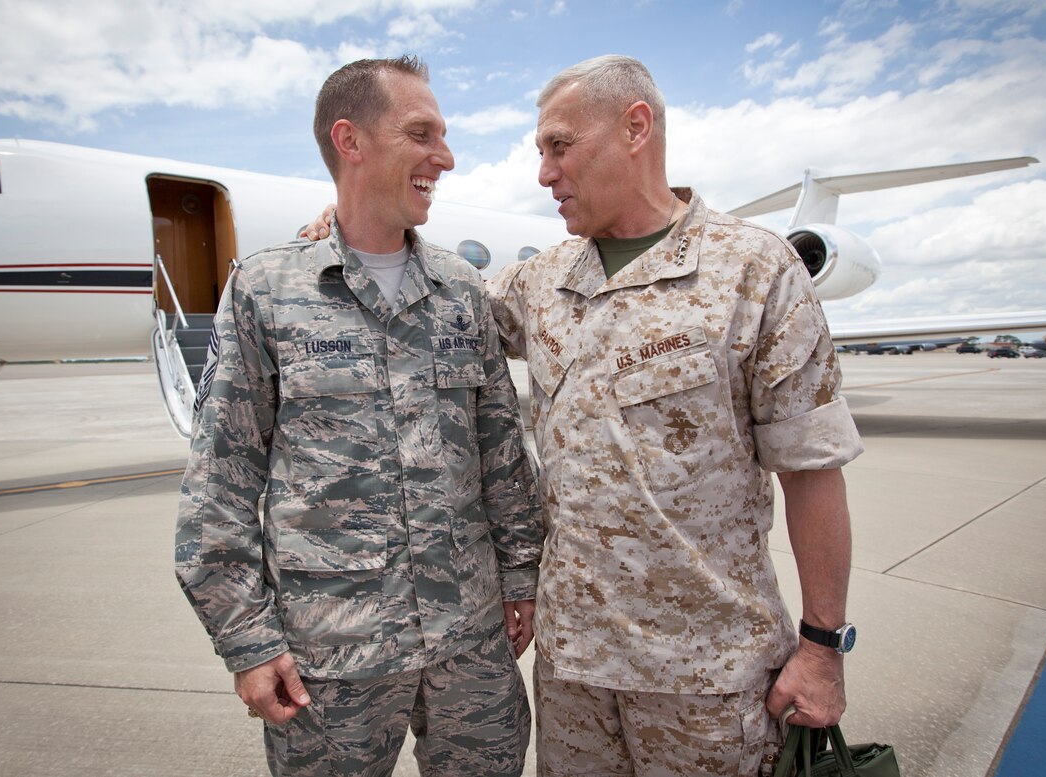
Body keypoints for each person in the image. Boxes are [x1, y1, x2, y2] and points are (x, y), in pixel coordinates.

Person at [302, 54, 863, 777]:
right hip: (573, 681)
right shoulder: (543, 283)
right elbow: (438, 295)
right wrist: (348, 220)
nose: (544, 172)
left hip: (707, 677)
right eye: (541, 151)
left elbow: (813, 469)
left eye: (559, 147)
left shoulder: (753, 271)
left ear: (636, 128)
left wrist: (822, 647)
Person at [175, 55, 542, 777]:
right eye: (422, 133)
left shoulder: (462, 289)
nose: (446, 155)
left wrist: (523, 574)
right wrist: (246, 639)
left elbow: (502, 451)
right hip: (330, 662)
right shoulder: (267, 289)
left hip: (470, 649)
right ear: (351, 140)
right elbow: (219, 484)